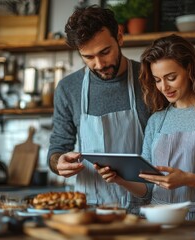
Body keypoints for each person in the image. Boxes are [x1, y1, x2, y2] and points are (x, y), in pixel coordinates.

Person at [96, 34, 195, 221]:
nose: (164, 87)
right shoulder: (156, 121)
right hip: (160, 221)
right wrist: (120, 179)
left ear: (190, 70)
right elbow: (148, 189)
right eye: (157, 80)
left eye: (171, 77)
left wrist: (187, 179)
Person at [47, 5, 151, 211]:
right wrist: (59, 162)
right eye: (88, 57)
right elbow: (57, 149)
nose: (99, 64)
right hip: (90, 210)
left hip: (146, 208)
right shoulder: (69, 89)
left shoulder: (149, 79)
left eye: (105, 52)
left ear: (119, 37)